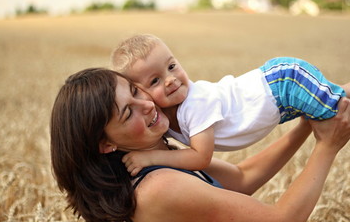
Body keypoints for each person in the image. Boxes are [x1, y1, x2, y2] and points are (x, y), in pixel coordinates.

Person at [50, 67, 350, 222]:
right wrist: (327, 146)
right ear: (104, 144)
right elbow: (281, 220)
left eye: (135, 91)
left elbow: (242, 178)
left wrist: (307, 122)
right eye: (128, 113)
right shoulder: (158, 187)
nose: (147, 105)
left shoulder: (156, 159)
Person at [111, 34, 350, 175]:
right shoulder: (163, 117)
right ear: (141, 91)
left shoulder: (195, 103)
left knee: (337, 113)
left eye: (172, 66)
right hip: (279, 97)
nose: (170, 79)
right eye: (155, 80)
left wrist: (151, 159)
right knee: (339, 102)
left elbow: (200, 158)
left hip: (285, 83)